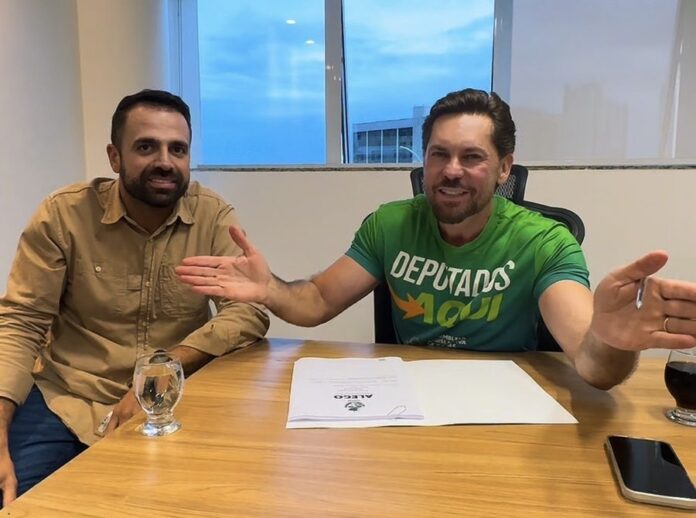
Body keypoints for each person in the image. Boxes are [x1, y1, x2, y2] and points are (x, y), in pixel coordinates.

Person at [176, 88, 696, 390]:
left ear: (504, 169)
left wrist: (612, 340)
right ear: (423, 160)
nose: (451, 171)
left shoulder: (545, 241)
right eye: (438, 155)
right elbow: (315, 301)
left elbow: (590, 359)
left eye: (472, 157)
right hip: (406, 398)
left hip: (505, 400)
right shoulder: (390, 224)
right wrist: (269, 288)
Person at [0, 89, 269, 506]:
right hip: (67, 400)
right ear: (115, 157)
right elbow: (21, 322)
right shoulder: (63, 215)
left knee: (211, 501)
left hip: (170, 401)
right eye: (146, 147)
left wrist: (166, 366)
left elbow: (249, 310)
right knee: (17, 499)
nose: (165, 161)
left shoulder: (212, 215)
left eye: (177, 149)